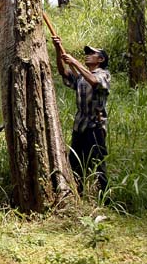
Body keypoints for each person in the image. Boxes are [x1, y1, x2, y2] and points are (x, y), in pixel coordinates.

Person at [51, 37, 111, 194]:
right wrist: (58, 49)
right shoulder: (81, 77)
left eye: (92, 53)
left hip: (95, 127)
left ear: (101, 59)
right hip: (80, 126)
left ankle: (105, 197)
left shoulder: (103, 74)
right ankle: (78, 194)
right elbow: (63, 72)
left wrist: (75, 62)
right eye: (87, 53)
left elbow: (95, 82)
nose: (88, 55)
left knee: (98, 164)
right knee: (75, 163)